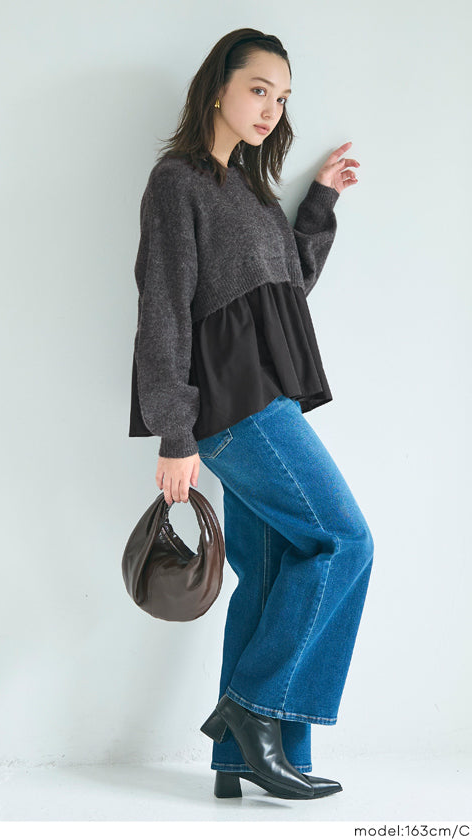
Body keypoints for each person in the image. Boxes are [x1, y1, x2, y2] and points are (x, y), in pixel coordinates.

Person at [128, 28, 374, 801]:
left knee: (270, 571)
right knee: (344, 541)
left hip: (267, 396)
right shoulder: (178, 183)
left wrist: (321, 200)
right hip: (236, 408)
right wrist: (174, 432)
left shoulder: (253, 192)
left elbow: (287, 289)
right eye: (259, 89)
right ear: (219, 89)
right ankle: (253, 707)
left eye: (282, 97)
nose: (271, 108)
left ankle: (243, 761)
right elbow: (163, 311)